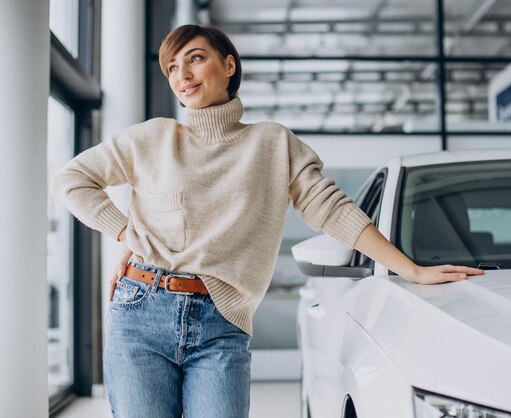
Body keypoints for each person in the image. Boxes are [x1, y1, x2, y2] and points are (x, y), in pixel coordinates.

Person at [51, 24, 483, 418]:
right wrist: (125, 231)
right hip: (141, 309)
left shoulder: (272, 143)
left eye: (195, 57)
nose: (182, 73)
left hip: (221, 322)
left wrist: (410, 269)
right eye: (172, 67)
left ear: (229, 64)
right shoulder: (153, 137)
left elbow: (331, 208)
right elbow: (72, 179)